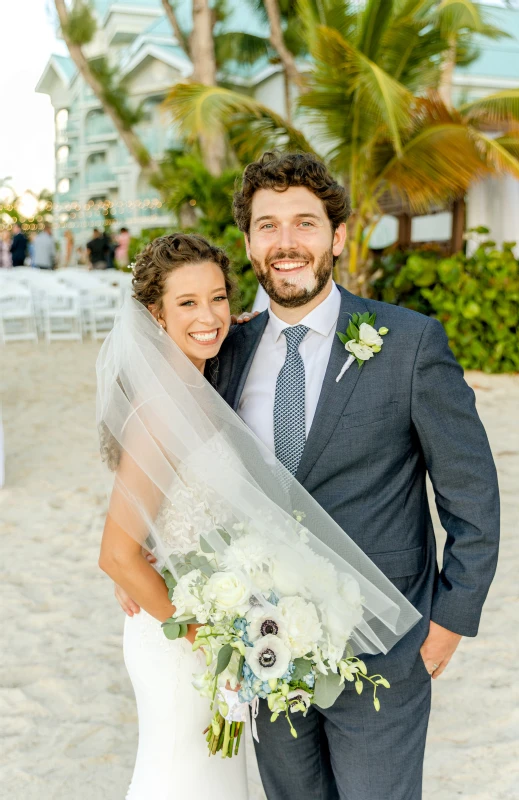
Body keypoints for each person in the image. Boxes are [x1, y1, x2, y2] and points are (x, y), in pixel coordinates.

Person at [114, 152, 499, 800]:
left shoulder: (407, 344)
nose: (285, 243)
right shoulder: (223, 351)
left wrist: (451, 620)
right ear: (248, 242)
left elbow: (471, 494)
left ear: (337, 237)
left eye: (304, 223)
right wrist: (152, 554)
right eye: (267, 226)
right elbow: (173, 464)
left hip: (383, 649)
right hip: (265, 648)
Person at [98, 233, 420, 799]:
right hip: (182, 638)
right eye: (187, 303)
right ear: (155, 314)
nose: (209, 316)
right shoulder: (157, 412)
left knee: (215, 776)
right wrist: (209, 640)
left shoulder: (200, 384)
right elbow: (116, 555)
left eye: (218, 298)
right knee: (179, 771)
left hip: (212, 625)